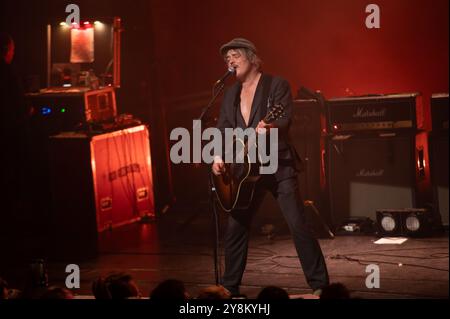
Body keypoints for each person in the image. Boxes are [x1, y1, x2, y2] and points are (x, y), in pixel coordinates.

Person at [212, 38, 329, 296]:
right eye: (226, 59)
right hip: (244, 172)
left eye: (234, 55)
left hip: (277, 166)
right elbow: (222, 128)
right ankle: (229, 287)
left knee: (297, 223)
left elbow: (284, 119)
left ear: (252, 57)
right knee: (236, 227)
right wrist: (218, 155)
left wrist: (270, 127)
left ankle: (320, 285)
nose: (229, 61)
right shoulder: (230, 93)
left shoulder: (276, 85)